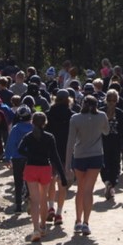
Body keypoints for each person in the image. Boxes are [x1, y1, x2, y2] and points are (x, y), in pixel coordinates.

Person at [18, 111, 69, 242]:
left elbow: (19, 149)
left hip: (31, 168)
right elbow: (55, 157)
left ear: (32, 122)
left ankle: (35, 229)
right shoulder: (49, 137)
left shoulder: (28, 136)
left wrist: (30, 155)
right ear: (45, 123)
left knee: (34, 200)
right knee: (43, 199)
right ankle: (43, 226)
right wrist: (62, 176)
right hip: (45, 169)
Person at [65, 95, 109, 235]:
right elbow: (106, 131)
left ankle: (77, 221)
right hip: (96, 155)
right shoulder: (102, 116)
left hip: (80, 155)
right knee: (89, 190)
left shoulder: (75, 118)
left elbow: (70, 142)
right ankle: (86, 223)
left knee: (81, 189)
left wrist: (67, 165)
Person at [45, 89, 74, 226]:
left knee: (51, 179)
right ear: (68, 100)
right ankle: (59, 214)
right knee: (62, 183)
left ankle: (50, 206)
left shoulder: (48, 114)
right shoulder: (72, 116)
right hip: (65, 152)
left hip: (50, 151)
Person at [5, 105, 34, 212]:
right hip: (31, 159)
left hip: (17, 158)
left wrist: (7, 157)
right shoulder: (33, 128)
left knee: (18, 182)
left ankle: (18, 205)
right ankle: (29, 199)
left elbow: (10, 143)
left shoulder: (15, 128)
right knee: (30, 181)